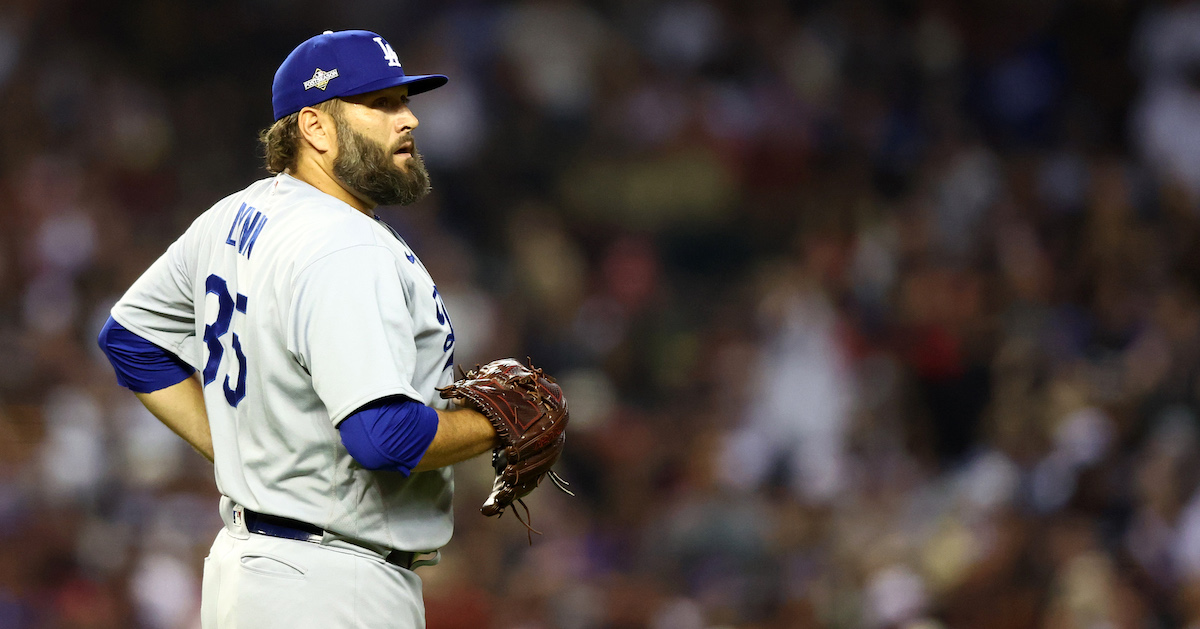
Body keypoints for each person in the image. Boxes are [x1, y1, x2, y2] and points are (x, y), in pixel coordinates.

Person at [97, 30, 498, 628]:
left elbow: (130, 342)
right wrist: (493, 426)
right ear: (314, 127)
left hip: (250, 572)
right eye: (381, 104)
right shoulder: (345, 246)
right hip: (334, 586)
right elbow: (382, 437)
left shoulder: (237, 214)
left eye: (406, 102)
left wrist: (241, 456)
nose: (409, 119)